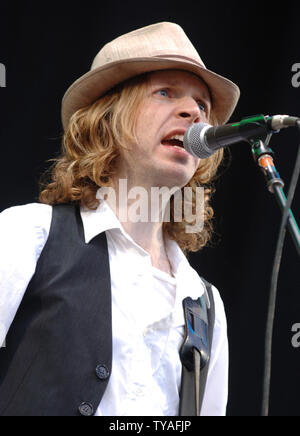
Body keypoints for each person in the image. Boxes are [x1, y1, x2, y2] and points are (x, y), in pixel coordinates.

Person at [0, 22, 240, 416]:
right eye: (165, 92)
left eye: (202, 105)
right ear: (108, 117)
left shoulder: (203, 302)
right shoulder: (30, 235)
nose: (193, 112)